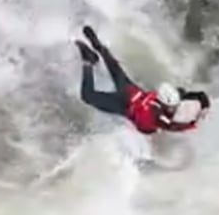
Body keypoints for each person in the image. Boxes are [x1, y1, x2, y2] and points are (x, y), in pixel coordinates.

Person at [76, 25, 210, 135]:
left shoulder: (169, 99)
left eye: (174, 107)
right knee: (87, 96)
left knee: (114, 68)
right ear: (161, 103)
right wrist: (193, 124)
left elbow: (198, 95)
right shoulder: (160, 117)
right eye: (170, 108)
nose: (173, 110)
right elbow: (175, 126)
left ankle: (100, 48)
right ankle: (89, 62)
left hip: (132, 91)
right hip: (124, 105)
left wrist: (204, 105)